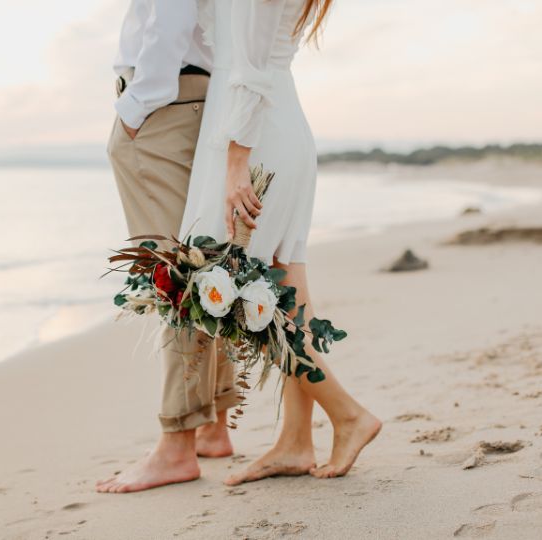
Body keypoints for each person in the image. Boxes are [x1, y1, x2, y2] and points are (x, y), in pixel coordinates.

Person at [180, 0, 382, 484]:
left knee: (248, 295)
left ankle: (348, 414)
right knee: (287, 292)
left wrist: (235, 165)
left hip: (254, 137)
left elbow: (248, 69)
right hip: (266, 124)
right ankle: (295, 442)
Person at [97, 0, 239, 494]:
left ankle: (177, 442)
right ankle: (214, 425)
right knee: (205, 265)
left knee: (175, 277)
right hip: (201, 95)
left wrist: (136, 105)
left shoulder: (150, 101)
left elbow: (169, 17)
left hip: (164, 102)